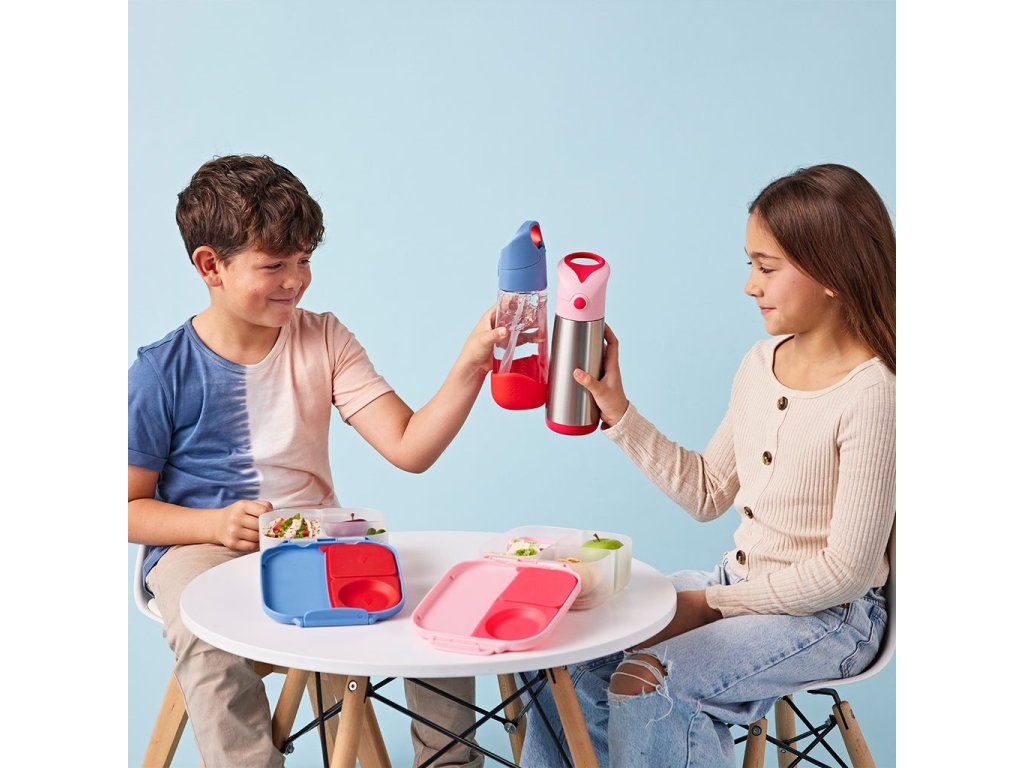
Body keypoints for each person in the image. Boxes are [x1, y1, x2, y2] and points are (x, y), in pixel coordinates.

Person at [128, 154, 501, 768]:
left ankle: (449, 761)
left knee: (433, 593)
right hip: (200, 546)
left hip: (315, 538)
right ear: (210, 265)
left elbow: (409, 446)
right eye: (273, 265)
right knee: (203, 630)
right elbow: (125, 507)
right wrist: (213, 525)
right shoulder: (161, 370)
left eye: (303, 260)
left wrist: (471, 365)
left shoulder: (324, 338)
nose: (295, 281)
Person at [519, 163, 895, 767]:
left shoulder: (873, 393)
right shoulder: (760, 364)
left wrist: (714, 604)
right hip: (737, 587)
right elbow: (707, 491)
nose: (750, 286)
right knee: (564, 644)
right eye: (751, 265)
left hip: (830, 619)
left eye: (767, 268)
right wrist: (619, 413)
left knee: (651, 681)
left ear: (833, 270)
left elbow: (847, 573)